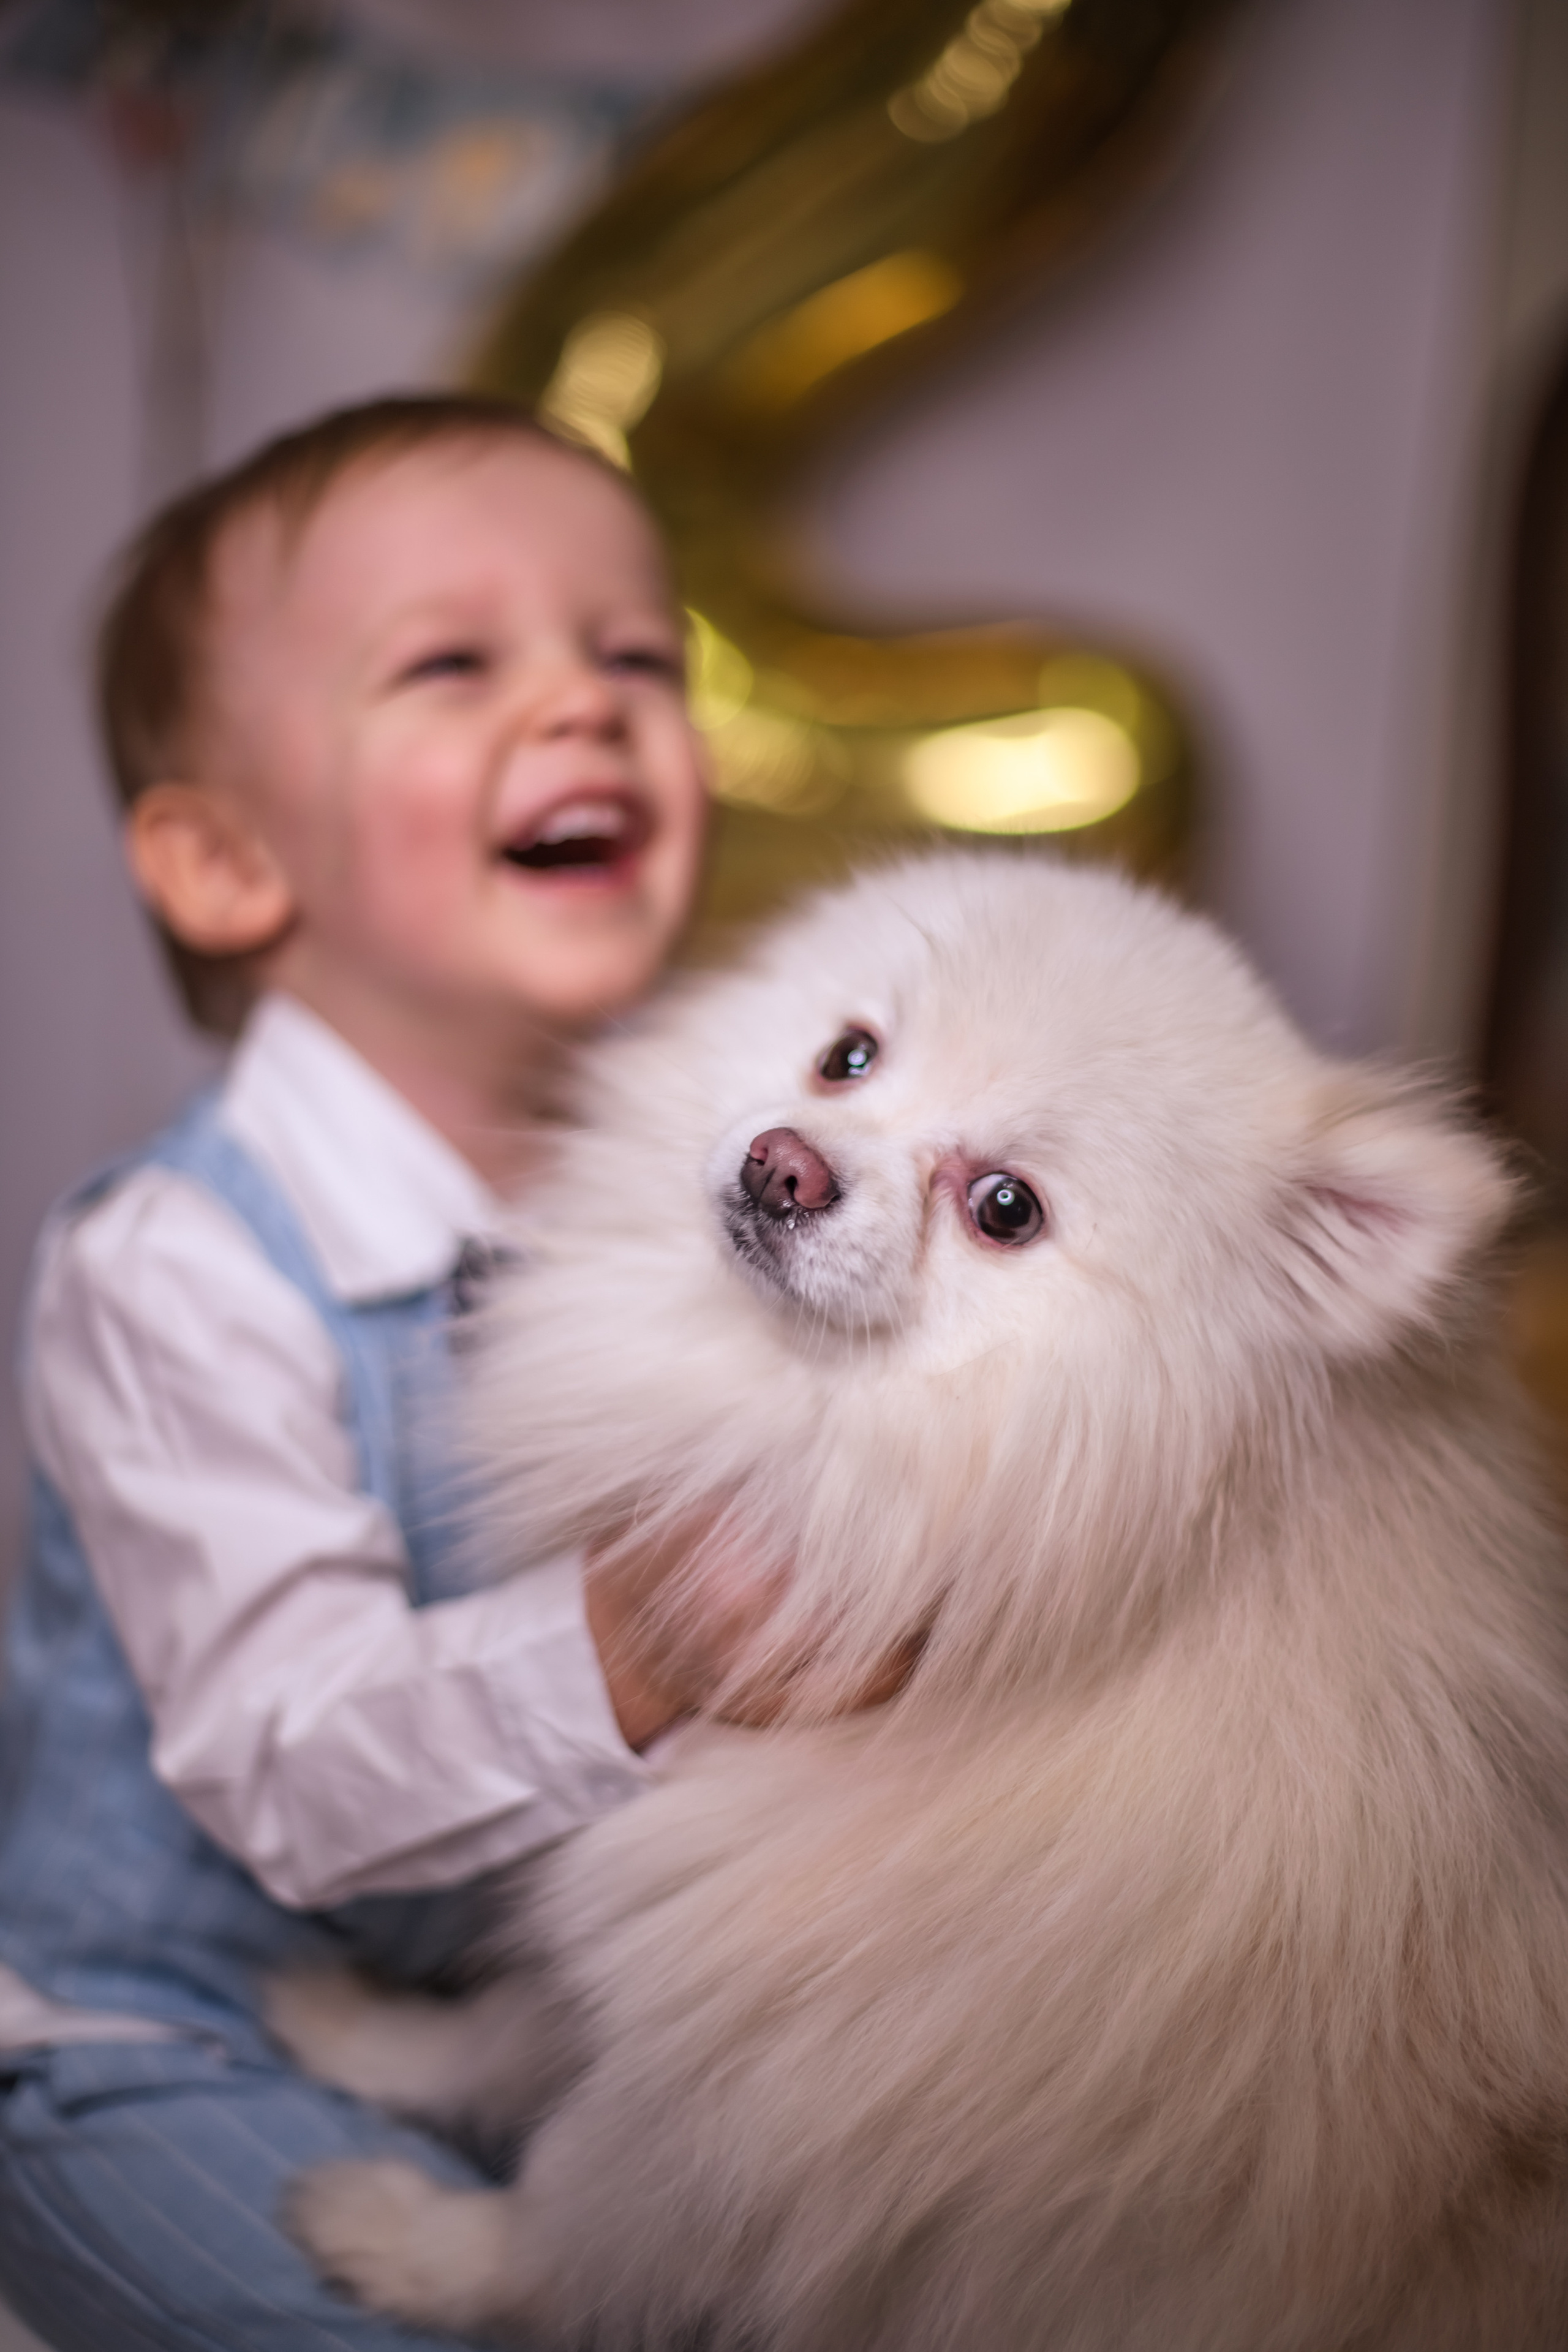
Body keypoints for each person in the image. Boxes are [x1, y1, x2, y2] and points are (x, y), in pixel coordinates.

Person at [0, 394, 737, 2351]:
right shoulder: (182, 1265)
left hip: (532, 2052)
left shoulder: (706, 1203)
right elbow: (288, 1761)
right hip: (166, 2033)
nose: (587, 703)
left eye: (637, 654)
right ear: (231, 863)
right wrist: (650, 1645)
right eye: (454, 662)